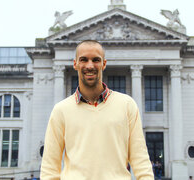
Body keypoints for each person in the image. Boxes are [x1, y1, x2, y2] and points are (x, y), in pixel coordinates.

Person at [40, 40, 154, 179]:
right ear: (75, 64)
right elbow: (49, 168)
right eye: (83, 60)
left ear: (104, 64)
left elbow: (140, 159)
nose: (90, 65)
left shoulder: (127, 105)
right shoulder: (61, 110)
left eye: (95, 60)